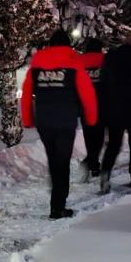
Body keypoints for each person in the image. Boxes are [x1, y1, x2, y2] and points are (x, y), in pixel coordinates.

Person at [21, 29, 97, 219]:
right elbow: (87, 93)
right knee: (62, 162)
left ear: (50, 45)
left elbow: (26, 92)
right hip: (65, 120)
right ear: (68, 45)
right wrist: (91, 118)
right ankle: (58, 206)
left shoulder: (37, 63)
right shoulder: (73, 61)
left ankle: (56, 201)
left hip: (44, 121)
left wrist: (28, 119)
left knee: (54, 160)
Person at [98, 30, 131, 193]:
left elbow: (103, 82)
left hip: (114, 107)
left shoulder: (110, 57)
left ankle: (105, 173)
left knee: (114, 144)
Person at [79, 38, 106, 181]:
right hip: (101, 103)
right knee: (99, 136)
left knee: (88, 135)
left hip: (85, 104)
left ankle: (92, 163)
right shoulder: (105, 60)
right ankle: (93, 162)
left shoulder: (80, 61)